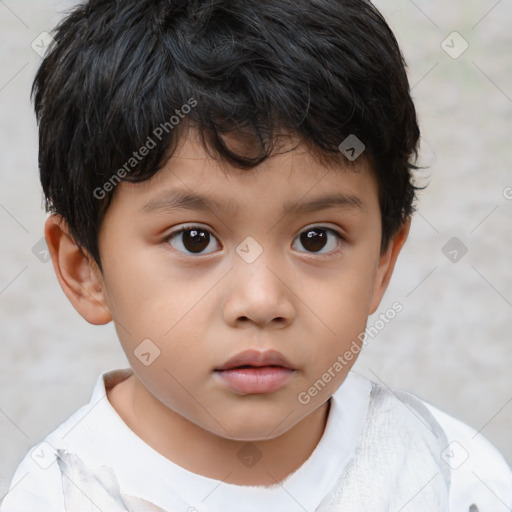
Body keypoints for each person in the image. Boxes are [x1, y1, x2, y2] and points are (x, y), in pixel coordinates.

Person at [1, 0, 511, 510]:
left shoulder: (451, 477)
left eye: (316, 238)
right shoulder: (60, 496)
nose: (262, 300)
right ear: (84, 269)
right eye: (194, 239)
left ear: (382, 262)